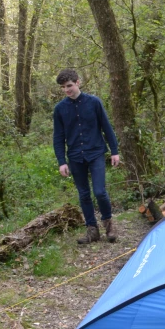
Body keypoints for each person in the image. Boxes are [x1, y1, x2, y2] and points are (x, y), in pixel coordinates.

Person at [53, 68, 120, 244]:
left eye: (69, 85)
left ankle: (109, 225)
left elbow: (106, 127)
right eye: (63, 87)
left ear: (78, 82)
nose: (67, 90)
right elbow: (58, 137)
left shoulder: (94, 102)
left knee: (99, 191)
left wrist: (114, 151)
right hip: (75, 156)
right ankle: (92, 230)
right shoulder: (60, 109)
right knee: (83, 194)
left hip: (96, 152)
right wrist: (61, 162)